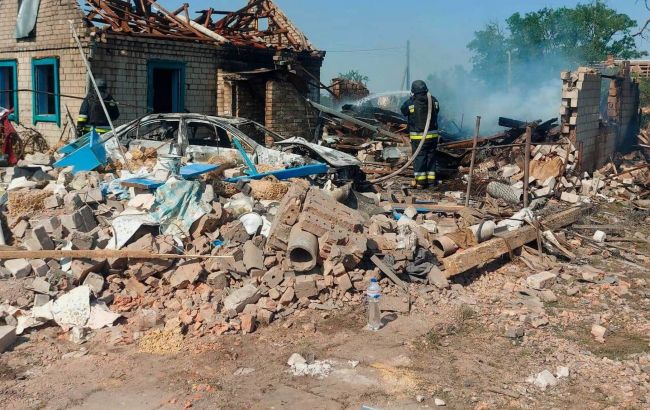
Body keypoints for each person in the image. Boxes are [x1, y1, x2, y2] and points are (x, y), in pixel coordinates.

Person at [400, 80, 440, 189]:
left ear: (413, 91)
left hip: (418, 137)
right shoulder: (433, 100)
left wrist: (411, 99)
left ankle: (421, 183)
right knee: (431, 158)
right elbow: (437, 110)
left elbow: (403, 111)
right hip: (432, 137)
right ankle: (431, 182)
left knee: (420, 158)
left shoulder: (411, 103)